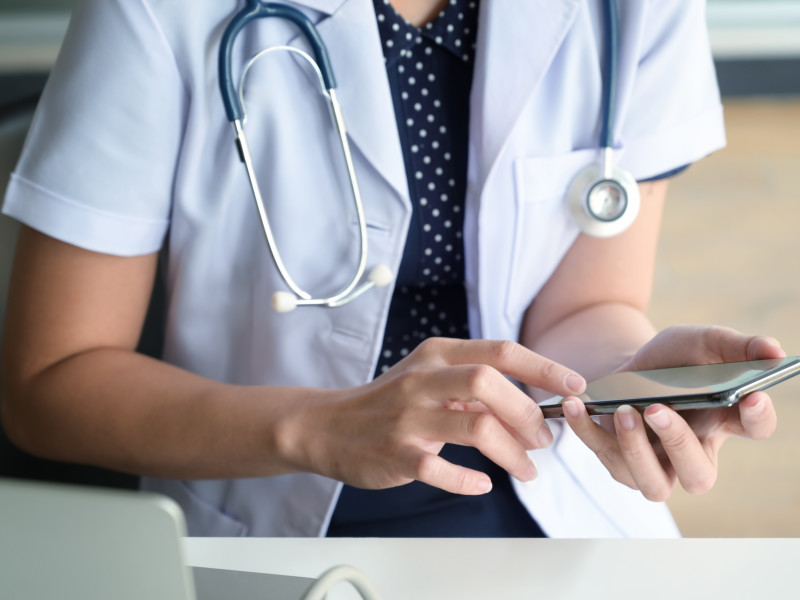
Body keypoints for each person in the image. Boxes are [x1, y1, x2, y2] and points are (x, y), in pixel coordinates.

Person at [0, 0, 782, 538]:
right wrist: (320, 426)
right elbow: (49, 385)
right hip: (267, 512)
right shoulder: (154, 11)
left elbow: (584, 306)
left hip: (546, 499)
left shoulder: (629, 10)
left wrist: (624, 382)